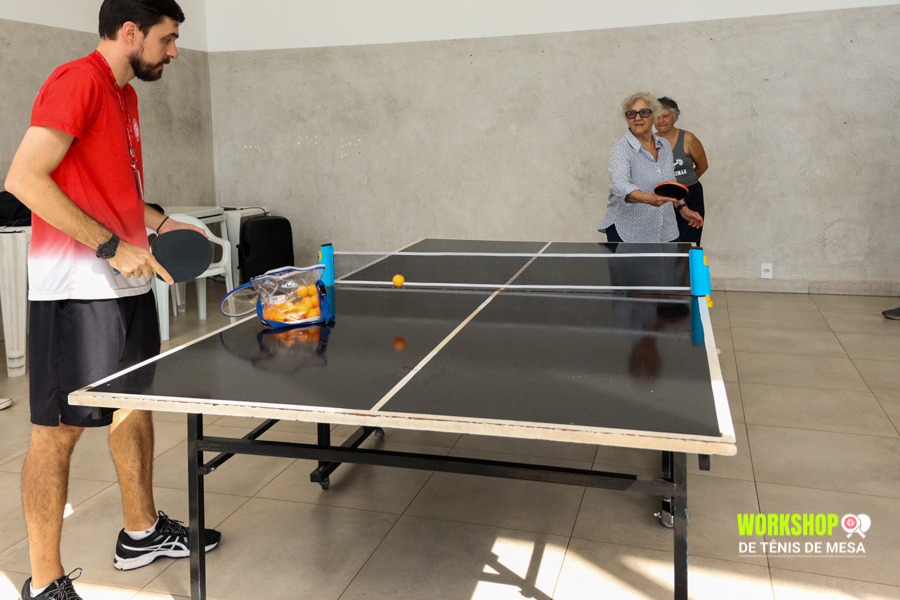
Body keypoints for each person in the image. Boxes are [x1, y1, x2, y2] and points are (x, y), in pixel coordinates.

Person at [4, 2, 220, 598]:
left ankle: (141, 531)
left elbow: (111, 189)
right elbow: (23, 179)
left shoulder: (124, 95)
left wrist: (161, 222)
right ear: (130, 33)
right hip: (75, 291)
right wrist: (108, 246)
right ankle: (44, 580)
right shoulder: (77, 81)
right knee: (57, 432)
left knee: (132, 406)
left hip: (127, 283)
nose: (174, 51)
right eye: (167, 39)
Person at [600, 91, 703, 243]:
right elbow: (619, 184)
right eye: (631, 114)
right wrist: (647, 198)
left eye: (644, 112)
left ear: (654, 115)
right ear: (627, 118)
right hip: (630, 232)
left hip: (667, 230)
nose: (637, 118)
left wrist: (683, 208)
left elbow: (670, 184)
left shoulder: (664, 145)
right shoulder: (621, 149)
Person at [655, 96, 709, 245]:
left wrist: (682, 185)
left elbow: (702, 166)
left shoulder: (688, 138)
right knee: (664, 245)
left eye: (666, 116)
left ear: (676, 117)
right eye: (657, 116)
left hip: (690, 196)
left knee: (688, 243)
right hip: (662, 198)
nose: (661, 121)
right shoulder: (650, 142)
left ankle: (688, 263)